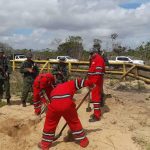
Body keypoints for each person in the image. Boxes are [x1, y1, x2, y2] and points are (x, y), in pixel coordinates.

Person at [38, 78, 94, 150]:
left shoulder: (53, 90)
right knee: (74, 122)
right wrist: (91, 85)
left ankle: (45, 144)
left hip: (54, 106)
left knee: (49, 124)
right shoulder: (69, 83)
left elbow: (52, 100)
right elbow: (81, 81)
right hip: (67, 105)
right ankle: (83, 141)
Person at [88, 49, 105, 122]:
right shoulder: (94, 59)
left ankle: (96, 116)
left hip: (96, 83)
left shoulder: (99, 59)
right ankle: (98, 113)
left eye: (92, 54)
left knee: (95, 99)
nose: (91, 55)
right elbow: (92, 71)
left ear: (95, 53)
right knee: (95, 98)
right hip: (93, 82)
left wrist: (93, 83)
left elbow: (98, 73)